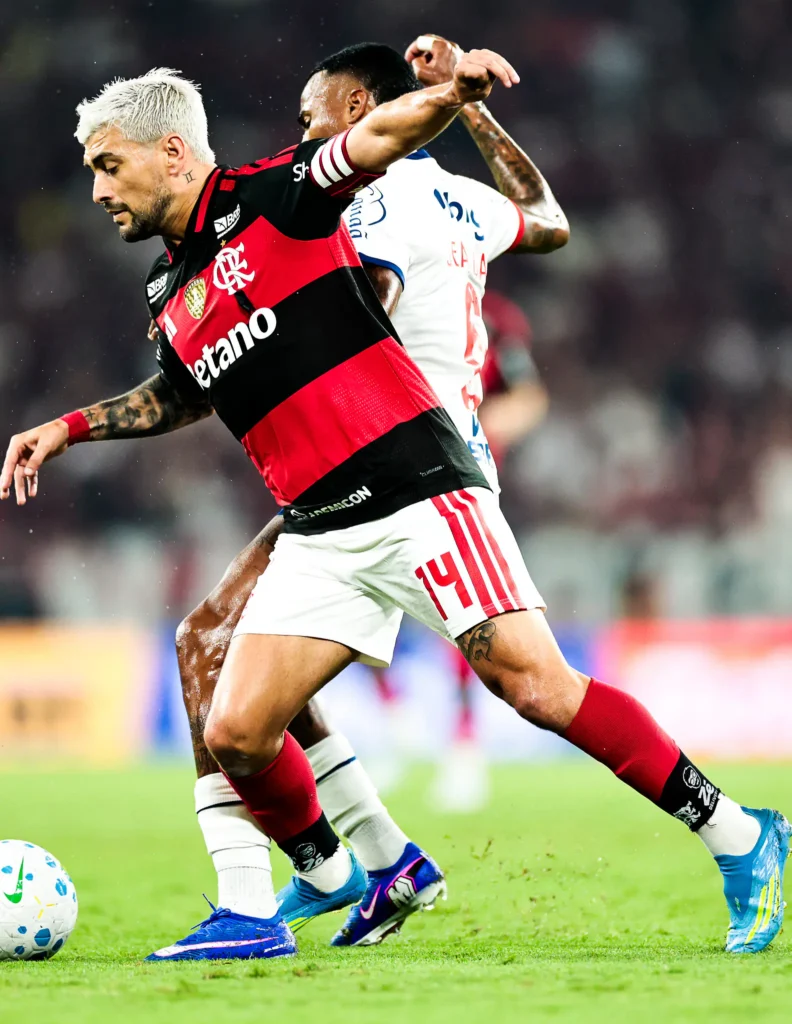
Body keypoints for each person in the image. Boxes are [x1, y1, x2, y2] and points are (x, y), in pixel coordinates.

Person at [2, 52, 787, 966]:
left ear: (172, 152)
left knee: (536, 688)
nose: (98, 190)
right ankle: (325, 886)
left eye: (109, 165)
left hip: (417, 488)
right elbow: (182, 393)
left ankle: (739, 835)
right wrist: (69, 428)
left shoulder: (276, 196)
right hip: (318, 526)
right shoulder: (167, 285)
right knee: (237, 731)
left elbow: (372, 137)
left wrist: (453, 97)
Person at [172, 34, 567, 957]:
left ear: (357, 111)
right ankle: (381, 855)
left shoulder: (365, 209)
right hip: (434, 462)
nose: (298, 134)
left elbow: (368, 316)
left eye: (308, 115)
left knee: (211, 642)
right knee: (240, 652)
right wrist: (470, 104)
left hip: (379, 464)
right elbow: (546, 221)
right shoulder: (463, 205)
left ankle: (313, 872)